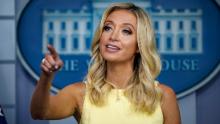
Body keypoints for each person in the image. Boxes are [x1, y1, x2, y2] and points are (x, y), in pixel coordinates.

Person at [30, 2, 181, 124]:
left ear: (139, 45)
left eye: (126, 31)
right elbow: (39, 113)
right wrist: (46, 76)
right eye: (108, 28)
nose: (113, 36)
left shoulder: (164, 96)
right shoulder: (79, 93)